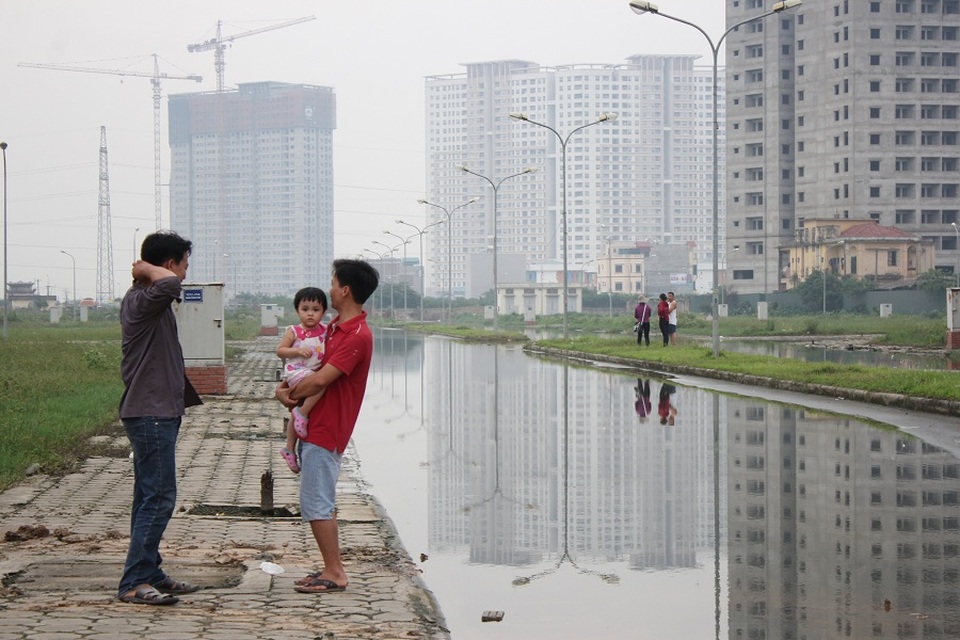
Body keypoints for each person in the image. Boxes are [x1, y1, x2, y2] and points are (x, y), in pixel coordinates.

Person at [275, 259, 379, 594]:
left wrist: (287, 395)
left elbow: (321, 378)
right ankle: (329, 568)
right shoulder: (334, 328)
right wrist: (289, 390)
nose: (330, 288)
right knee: (317, 500)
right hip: (314, 422)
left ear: (345, 290)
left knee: (316, 502)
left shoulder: (357, 336)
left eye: (333, 283)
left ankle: (335, 573)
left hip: (328, 428)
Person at [117, 231, 201, 606]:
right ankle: (134, 581)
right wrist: (148, 268)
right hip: (150, 413)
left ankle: (149, 571)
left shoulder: (149, 301)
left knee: (149, 496)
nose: (185, 273)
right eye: (184, 264)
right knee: (160, 497)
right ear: (168, 265)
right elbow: (167, 282)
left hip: (157, 411)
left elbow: (166, 282)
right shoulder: (145, 298)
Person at [277, 287, 329, 474]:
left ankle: (289, 448)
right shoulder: (294, 331)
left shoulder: (325, 331)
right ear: (297, 310)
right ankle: (303, 412)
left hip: (311, 371)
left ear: (323, 312)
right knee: (321, 383)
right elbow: (281, 350)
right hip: (296, 371)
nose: (310, 314)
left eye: (315, 310)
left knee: (296, 412)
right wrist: (296, 351)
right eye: (305, 309)